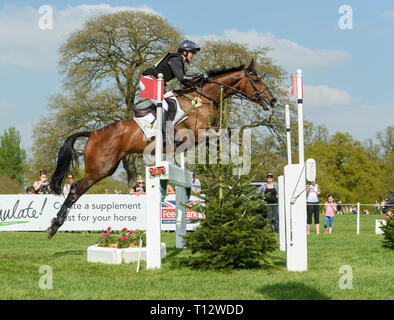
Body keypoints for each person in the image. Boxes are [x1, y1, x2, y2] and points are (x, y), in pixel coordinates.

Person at [140, 40, 206, 143]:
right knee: (165, 105)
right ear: (185, 52)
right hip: (148, 81)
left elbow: (185, 83)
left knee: (172, 103)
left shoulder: (179, 62)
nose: (193, 56)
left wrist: (199, 81)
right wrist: (196, 76)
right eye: (192, 53)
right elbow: (182, 78)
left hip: (157, 83)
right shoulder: (176, 59)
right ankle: (164, 134)